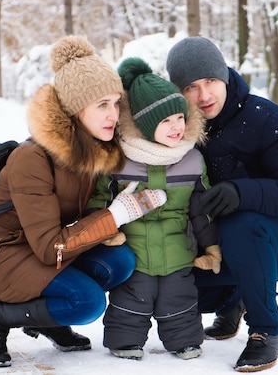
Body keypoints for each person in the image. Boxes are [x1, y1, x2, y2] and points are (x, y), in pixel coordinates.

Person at [0, 36, 166, 368]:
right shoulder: (31, 158)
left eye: (116, 103)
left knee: (120, 261)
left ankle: (46, 319)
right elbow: (49, 248)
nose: (113, 114)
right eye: (102, 105)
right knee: (87, 303)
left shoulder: (92, 150)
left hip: (42, 246)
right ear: (74, 109)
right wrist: (114, 216)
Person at [166, 36, 278, 372]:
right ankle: (231, 301)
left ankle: (266, 331)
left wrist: (242, 192)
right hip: (215, 243)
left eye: (211, 81)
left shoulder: (264, 117)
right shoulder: (178, 130)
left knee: (240, 225)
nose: (204, 95)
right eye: (191, 87)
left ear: (225, 75)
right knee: (168, 273)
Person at [88, 57, 220, 361]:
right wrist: (108, 232)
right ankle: (124, 341)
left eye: (179, 117)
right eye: (165, 121)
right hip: (133, 249)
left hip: (178, 249)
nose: (176, 127)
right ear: (146, 127)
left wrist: (211, 246)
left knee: (180, 297)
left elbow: (202, 208)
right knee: (132, 297)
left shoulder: (191, 159)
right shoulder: (120, 160)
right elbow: (99, 198)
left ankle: (185, 341)